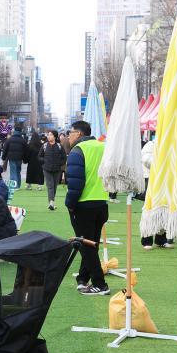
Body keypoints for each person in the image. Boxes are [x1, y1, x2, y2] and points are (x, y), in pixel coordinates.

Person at [65, 120, 110, 296]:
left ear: (79, 133)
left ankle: (100, 284)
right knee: (91, 243)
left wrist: (70, 204)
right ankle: (83, 278)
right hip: (102, 202)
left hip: (84, 204)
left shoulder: (78, 150)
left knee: (86, 245)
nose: (68, 136)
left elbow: (75, 183)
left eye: (70, 132)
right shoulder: (103, 147)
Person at [39, 129, 67, 211]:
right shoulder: (44, 146)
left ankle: (52, 202)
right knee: (50, 185)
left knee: (54, 186)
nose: (48, 136)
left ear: (54, 136)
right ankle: (51, 203)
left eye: (50, 135)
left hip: (57, 169)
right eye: (48, 135)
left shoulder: (59, 146)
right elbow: (39, 156)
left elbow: (64, 157)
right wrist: (44, 161)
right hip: (46, 169)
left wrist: (59, 163)